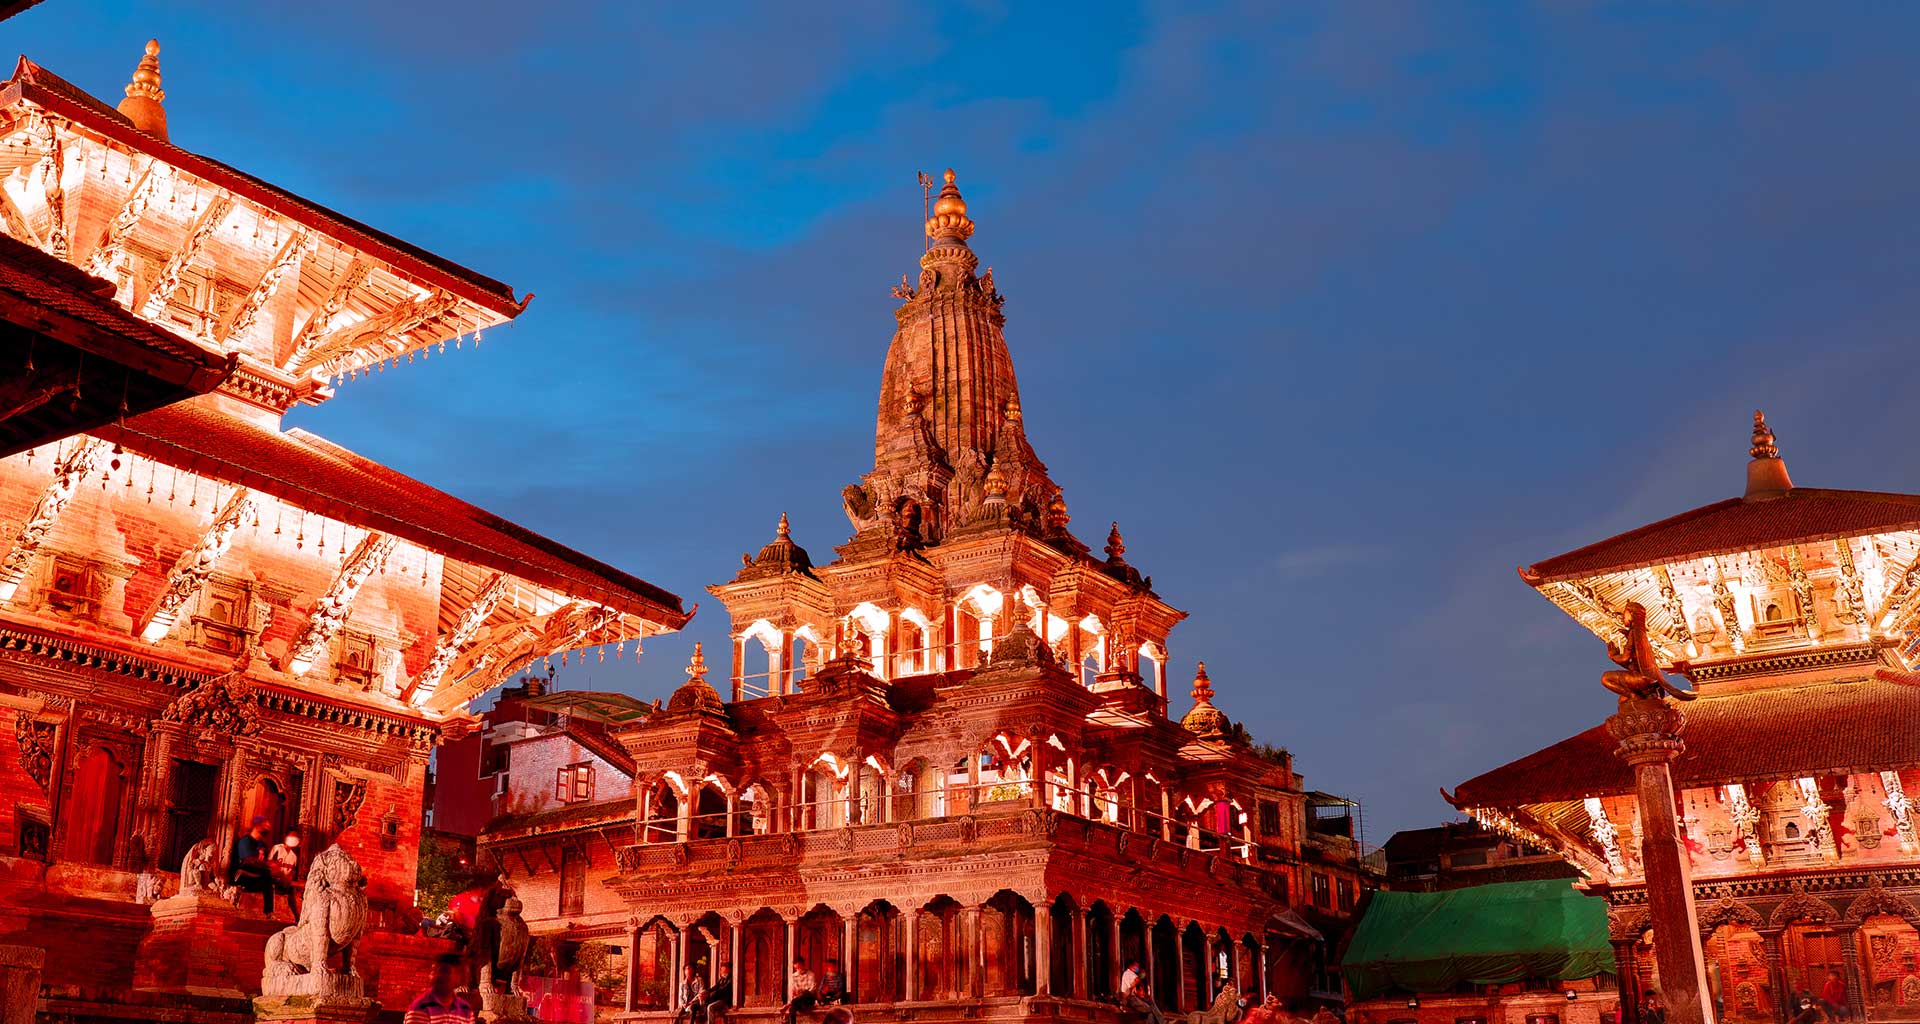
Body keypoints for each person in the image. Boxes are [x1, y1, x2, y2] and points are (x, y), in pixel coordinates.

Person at [405, 952, 476, 1023]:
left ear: (458, 976)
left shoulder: (465, 1009)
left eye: (445, 971)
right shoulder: (420, 1007)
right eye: (434, 971)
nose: (439, 975)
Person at [229, 816, 276, 915]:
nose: (267, 828)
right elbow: (247, 861)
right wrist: (267, 865)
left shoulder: (263, 845)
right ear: (257, 826)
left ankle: (269, 912)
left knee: (269, 882)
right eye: (265, 826)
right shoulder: (245, 841)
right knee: (267, 873)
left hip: (256, 877)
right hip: (242, 875)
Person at [266, 829, 302, 918]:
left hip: (284, 882)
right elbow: (269, 865)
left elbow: (292, 873)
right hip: (273, 878)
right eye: (291, 836)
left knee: (291, 889)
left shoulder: (294, 857)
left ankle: (297, 917)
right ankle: (269, 913)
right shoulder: (277, 848)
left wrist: (288, 879)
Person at [781, 957, 817, 1024]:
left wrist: (801, 992)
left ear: (803, 965)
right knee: (792, 1009)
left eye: (799, 967)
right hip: (798, 1001)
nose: (798, 969)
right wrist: (796, 994)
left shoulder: (811, 974)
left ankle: (789, 1004)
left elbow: (811, 990)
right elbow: (792, 991)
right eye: (796, 968)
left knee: (805, 992)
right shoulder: (793, 976)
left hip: (808, 999)